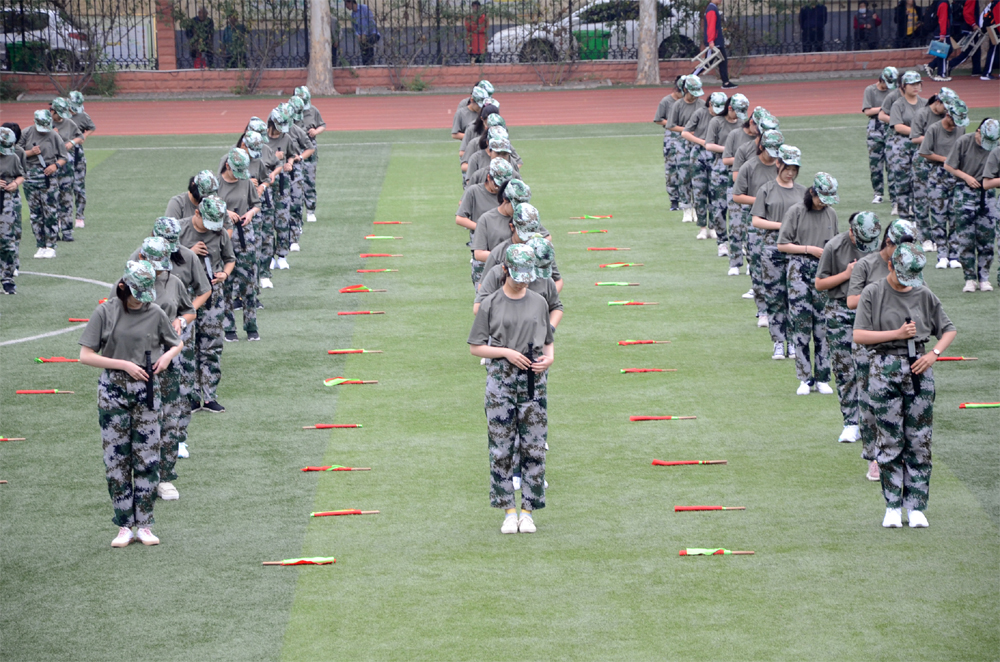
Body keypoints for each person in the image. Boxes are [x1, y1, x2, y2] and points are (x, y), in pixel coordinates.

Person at [79, 260, 183, 547]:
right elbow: (86, 355)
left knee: (148, 458)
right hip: (113, 390)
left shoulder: (155, 312)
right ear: (123, 287)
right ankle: (124, 524)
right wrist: (123, 364)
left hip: (147, 389)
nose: (140, 300)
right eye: (136, 294)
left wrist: (167, 357)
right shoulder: (105, 312)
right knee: (116, 460)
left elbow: (176, 342)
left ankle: (145, 523)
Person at [853, 242, 957, 529]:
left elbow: (948, 329)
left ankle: (916, 506)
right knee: (889, 438)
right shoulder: (873, 292)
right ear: (890, 266)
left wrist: (934, 354)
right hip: (883, 366)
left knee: (919, 440)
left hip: (918, 367)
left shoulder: (924, 293)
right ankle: (892, 505)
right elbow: (859, 335)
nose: (907, 282)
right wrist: (896, 333)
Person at [468, 243, 554, 534]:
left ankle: (528, 512)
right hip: (501, 382)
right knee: (501, 448)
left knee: (534, 447)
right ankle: (508, 512)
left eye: (527, 277)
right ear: (505, 270)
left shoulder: (539, 301)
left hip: (533, 381)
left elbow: (548, 340)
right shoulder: (491, 303)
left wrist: (549, 359)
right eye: (518, 276)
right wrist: (505, 352)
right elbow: (475, 346)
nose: (523, 282)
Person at [847, 218, 917, 481]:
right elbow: (851, 301)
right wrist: (883, 292)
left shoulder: (910, 263)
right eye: (900, 246)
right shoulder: (866, 265)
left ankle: (901, 454)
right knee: (869, 402)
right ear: (888, 242)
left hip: (902, 344)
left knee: (906, 402)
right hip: (870, 343)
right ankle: (874, 457)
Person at [137, 217, 212, 458]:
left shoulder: (186, 257)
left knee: (182, 383)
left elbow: (204, 291)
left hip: (178, 330)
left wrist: (182, 320)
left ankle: (178, 437)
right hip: (146, 333)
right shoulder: (139, 257)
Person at [130, 237, 195, 501]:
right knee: (141, 421)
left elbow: (189, 310)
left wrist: (181, 320)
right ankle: (143, 478)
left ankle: (165, 478)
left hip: (168, 359)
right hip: (135, 362)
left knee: (169, 420)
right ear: (142, 258)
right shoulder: (127, 285)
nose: (158, 270)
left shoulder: (173, 282)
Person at [815, 211, 883, 443]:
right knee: (845, 369)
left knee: (869, 368)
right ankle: (850, 422)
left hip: (869, 311)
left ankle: (871, 422)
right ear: (852, 232)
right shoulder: (834, 246)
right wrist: (846, 274)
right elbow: (820, 283)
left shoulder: (879, 247)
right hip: (840, 310)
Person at [777, 172, 841, 395]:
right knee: (801, 325)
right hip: (799, 269)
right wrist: (808, 249)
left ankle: (823, 377)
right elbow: (782, 245)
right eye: (821, 198)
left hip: (823, 271)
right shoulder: (796, 211)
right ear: (812, 192)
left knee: (823, 326)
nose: (823, 203)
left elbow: (836, 244)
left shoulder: (831, 213)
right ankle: (805, 378)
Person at [179, 196, 235, 413]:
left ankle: (210, 396)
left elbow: (230, 259)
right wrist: (189, 252)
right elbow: (165, 259)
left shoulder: (220, 233)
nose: (211, 228)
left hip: (212, 294)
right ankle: (191, 397)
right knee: (187, 347)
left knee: (211, 345)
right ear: (197, 213)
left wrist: (224, 274)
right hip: (186, 295)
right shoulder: (180, 229)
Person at [751, 144, 807, 360]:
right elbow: (757, 221)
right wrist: (782, 225)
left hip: (796, 249)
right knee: (774, 296)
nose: (790, 173)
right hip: (772, 249)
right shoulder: (766, 190)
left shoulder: (802, 192)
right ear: (778, 164)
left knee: (795, 296)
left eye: (794, 169)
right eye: (787, 168)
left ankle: (792, 341)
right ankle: (778, 341)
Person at [732, 123, 782, 325]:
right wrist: (762, 200)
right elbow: (737, 196)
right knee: (757, 264)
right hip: (755, 221)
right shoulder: (749, 167)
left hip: (779, 220)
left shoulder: (782, 167)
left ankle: (778, 308)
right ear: (761, 146)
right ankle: (763, 310)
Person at [944, 117, 999, 292]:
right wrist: (966, 177)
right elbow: (949, 165)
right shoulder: (964, 141)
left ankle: (984, 278)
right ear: (978, 132)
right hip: (965, 190)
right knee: (966, 238)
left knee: (987, 238)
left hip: (987, 193)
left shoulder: (996, 147)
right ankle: (969, 278)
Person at [217, 147, 261, 341]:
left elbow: (256, 204)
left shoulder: (246, 182)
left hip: (245, 237)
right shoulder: (217, 184)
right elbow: (206, 207)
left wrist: (250, 213)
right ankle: (229, 328)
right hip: (223, 238)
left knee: (248, 284)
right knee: (225, 285)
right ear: (227, 166)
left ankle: (251, 326)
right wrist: (225, 212)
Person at [921, 98, 968, 269]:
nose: (956, 125)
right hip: (937, 175)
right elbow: (924, 152)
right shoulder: (934, 129)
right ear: (948, 115)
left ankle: (954, 254)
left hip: (956, 175)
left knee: (956, 215)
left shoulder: (961, 129)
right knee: (938, 215)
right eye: (954, 120)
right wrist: (946, 159)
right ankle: (942, 254)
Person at [908, 90, 955, 249]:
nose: (947, 112)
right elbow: (915, 137)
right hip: (924, 161)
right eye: (945, 107)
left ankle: (939, 237)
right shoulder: (922, 114)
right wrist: (934, 138)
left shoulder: (948, 117)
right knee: (921, 200)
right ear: (937, 102)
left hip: (942, 163)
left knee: (939, 201)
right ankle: (925, 237)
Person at [17, 109, 67, 259]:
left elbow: (63, 157)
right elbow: (15, 153)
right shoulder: (26, 133)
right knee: (35, 214)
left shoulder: (54, 135)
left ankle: (51, 245)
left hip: (48, 177)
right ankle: (41, 245)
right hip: (30, 177)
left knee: (50, 212)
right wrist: (31, 152)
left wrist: (55, 166)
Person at [458, 158, 515, 288]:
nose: (500, 188)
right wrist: (485, 227)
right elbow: (460, 218)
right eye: (497, 184)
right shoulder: (474, 191)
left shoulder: (510, 196)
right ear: (488, 177)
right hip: (483, 247)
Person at [705, 93, 745, 261]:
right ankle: (722, 241)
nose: (738, 116)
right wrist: (729, 150)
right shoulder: (717, 122)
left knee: (740, 209)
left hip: (739, 168)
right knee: (719, 208)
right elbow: (709, 145)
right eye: (737, 112)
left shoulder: (742, 123)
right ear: (729, 108)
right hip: (720, 168)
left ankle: (740, 243)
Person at [682, 91, 725, 244]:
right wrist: (702, 142)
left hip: (716, 155)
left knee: (715, 192)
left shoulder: (723, 117)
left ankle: (713, 227)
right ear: (710, 104)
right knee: (699, 192)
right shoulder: (700, 113)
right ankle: (702, 227)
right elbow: (685, 133)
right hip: (699, 154)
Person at [888, 70, 927, 220]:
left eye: (918, 83)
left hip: (921, 146)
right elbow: (898, 126)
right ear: (904, 86)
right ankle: (904, 216)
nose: (916, 87)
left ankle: (919, 216)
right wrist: (918, 133)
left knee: (920, 183)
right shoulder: (898, 104)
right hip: (902, 147)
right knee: (902, 182)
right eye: (912, 84)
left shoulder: (925, 103)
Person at [265, 106, 299, 270]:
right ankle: (269, 256)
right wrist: (274, 157)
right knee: (267, 221)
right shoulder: (261, 139)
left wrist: (289, 163)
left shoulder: (286, 138)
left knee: (282, 219)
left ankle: (282, 255)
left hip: (282, 184)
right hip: (265, 184)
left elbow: (292, 154)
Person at [668, 75, 705, 223]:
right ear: (685, 90)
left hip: (698, 143)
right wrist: (687, 130)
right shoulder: (678, 105)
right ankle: (686, 208)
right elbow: (671, 125)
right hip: (682, 143)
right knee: (684, 176)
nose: (695, 96)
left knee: (698, 177)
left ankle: (697, 207)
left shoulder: (702, 104)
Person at [863, 67, 897, 204]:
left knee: (892, 163)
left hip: (890, 128)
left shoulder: (894, 91)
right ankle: (878, 193)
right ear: (881, 79)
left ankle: (894, 194)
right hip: (875, 129)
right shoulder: (870, 90)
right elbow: (867, 111)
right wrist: (884, 108)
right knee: (875, 164)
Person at [50, 97, 81, 243]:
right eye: (59, 114)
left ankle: (67, 231)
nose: (61, 117)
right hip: (50, 165)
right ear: (52, 111)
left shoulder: (69, 123)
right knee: (52, 199)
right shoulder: (44, 124)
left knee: (67, 198)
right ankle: (53, 231)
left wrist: (72, 142)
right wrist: (52, 134)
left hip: (66, 166)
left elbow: (80, 136)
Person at [654, 76, 687, 212]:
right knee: (671, 169)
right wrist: (673, 125)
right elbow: (658, 119)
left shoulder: (692, 102)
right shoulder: (666, 101)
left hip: (688, 136)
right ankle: (674, 200)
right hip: (672, 138)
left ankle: (687, 199)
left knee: (687, 169)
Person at [294, 86, 326, 224]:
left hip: (309, 147)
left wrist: (316, 131)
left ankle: (310, 210)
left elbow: (322, 125)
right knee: (294, 182)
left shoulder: (313, 111)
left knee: (309, 180)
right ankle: (296, 211)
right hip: (295, 148)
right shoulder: (291, 112)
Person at [0, 127, 25, 294]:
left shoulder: (13, 157)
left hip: (6, 201)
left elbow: (21, 174)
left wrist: (15, 183)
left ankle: (7, 279)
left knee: (7, 240)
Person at [67, 91, 95, 229]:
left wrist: (83, 137)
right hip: (61, 154)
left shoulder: (83, 116)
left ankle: (79, 216)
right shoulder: (60, 114)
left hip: (77, 155)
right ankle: (62, 217)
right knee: (62, 187)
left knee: (79, 187)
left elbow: (92, 127)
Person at [702, 0, 737, 88]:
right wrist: (711, 41)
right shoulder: (711, 9)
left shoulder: (713, 8)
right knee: (707, 63)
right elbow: (711, 26)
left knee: (723, 61)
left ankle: (726, 82)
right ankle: (688, 79)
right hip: (714, 42)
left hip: (717, 41)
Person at [947, 0, 984, 76]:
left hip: (966, 26)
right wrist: (973, 24)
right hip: (970, 27)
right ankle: (951, 64)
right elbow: (967, 13)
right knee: (969, 51)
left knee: (976, 49)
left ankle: (976, 70)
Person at [923, 0, 952, 80]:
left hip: (940, 31)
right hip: (942, 31)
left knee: (948, 50)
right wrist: (942, 34)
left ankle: (931, 65)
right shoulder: (943, 3)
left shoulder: (939, 2)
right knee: (943, 53)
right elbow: (943, 19)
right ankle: (941, 74)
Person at [344, 0, 379, 65]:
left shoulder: (364, 8)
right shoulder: (353, 15)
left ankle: (370, 64)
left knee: (368, 46)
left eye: (346, 4)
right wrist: (358, 35)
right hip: (362, 37)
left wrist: (364, 33)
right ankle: (366, 64)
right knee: (364, 52)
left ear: (351, 2)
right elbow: (354, 28)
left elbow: (371, 21)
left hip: (372, 33)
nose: (346, 6)